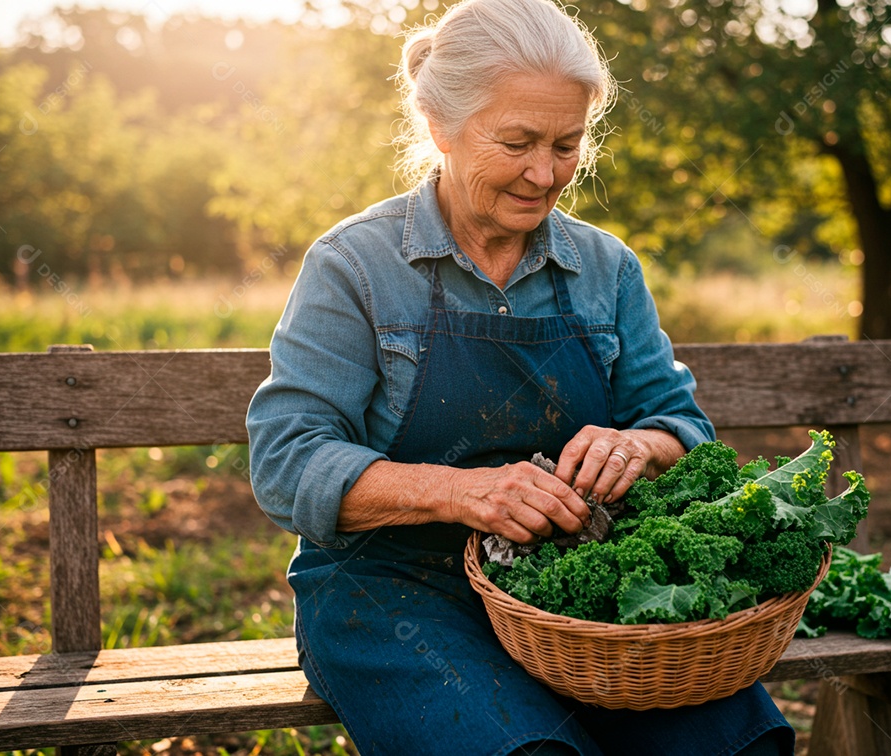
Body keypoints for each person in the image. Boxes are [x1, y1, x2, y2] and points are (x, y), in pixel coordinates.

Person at [247, 0, 794, 753]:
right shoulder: (356, 268)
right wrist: (463, 492)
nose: (545, 174)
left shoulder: (606, 269)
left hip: (572, 596)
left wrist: (642, 447)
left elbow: (682, 427)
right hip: (392, 595)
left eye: (567, 145)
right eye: (517, 142)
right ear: (440, 125)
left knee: (736, 742)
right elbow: (286, 463)